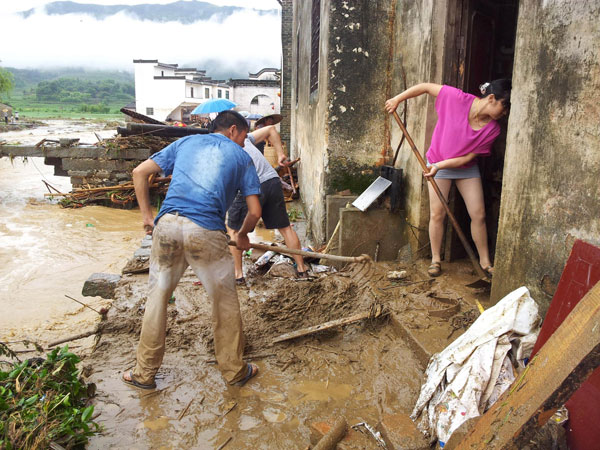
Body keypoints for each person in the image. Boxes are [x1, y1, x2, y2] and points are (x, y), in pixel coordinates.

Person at [122, 110, 262, 389]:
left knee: (158, 295)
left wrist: (147, 217)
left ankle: (143, 373)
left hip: (167, 225)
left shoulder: (185, 143)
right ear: (233, 130)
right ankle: (234, 371)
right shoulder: (242, 157)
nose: (245, 144)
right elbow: (255, 210)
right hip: (206, 231)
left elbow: (140, 172)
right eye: (245, 137)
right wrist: (244, 234)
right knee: (224, 301)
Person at [385, 79, 511, 277]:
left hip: (463, 168)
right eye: (504, 108)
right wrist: (397, 99)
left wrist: (439, 167)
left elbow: (468, 158)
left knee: (478, 214)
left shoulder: (493, 129)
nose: (504, 114)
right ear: (492, 99)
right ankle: (436, 259)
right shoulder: (456, 98)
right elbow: (425, 87)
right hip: (437, 161)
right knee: (437, 214)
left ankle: (485, 262)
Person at [227, 124, 309, 282]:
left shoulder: (224, 147)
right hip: (271, 181)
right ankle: (301, 270)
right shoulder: (247, 138)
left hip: (250, 186)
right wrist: (280, 154)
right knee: (285, 228)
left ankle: (238, 276)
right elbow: (271, 128)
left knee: (234, 231)